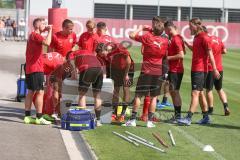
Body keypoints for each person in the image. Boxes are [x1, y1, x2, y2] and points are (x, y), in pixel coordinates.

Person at [123, 16, 168, 128]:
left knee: (138, 95)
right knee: (154, 97)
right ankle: (149, 122)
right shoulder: (165, 40)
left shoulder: (147, 37)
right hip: (158, 72)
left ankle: (133, 120)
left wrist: (141, 28)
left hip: (146, 70)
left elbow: (131, 35)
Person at [178, 18, 221, 126]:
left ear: (195, 25)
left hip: (200, 70)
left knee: (195, 93)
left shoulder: (204, 37)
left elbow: (210, 54)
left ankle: (188, 118)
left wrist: (215, 69)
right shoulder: (197, 37)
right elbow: (196, 50)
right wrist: (187, 44)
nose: (188, 28)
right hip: (196, 69)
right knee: (201, 93)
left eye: (190, 26)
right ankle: (206, 117)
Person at [24, 17, 52, 125]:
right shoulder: (36, 35)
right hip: (36, 68)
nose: (45, 25)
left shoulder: (32, 35)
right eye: (43, 24)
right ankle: (39, 117)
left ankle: (27, 117)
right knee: (40, 92)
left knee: (30, 92)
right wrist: (50, 30)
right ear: (37, 26)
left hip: (30, 68)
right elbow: (47, 42)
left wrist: (45, 29)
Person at [71, 45, 104, 127]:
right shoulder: (90, 52)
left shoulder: (73, 53)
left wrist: (74, 73)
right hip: (99, 69)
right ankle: (98, 120)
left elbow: (72, 64)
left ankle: (83, 119)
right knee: (97, 95)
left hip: (87, 69)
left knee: (82, 95)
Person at [202, 26, 230, 116]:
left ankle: (210, 109)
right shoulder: (218, 39)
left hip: (210, 68)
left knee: (209, 90)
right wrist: (217, 53)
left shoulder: (207, 40)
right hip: (219, 68)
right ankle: (226, 106)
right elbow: (225, 51)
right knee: (219, 89)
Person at [104, 43, 134, 123]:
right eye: (106, 51)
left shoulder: (121, 49)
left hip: (128, 68)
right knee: (115, 90)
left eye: (109, 51)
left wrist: (126, 74)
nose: (108, 52)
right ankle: (115, 113)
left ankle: (123, 114)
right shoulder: (106, 52)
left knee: (125, 88)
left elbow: (129, 62)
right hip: (116, 69)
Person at [164, 20, 185, 122]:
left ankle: (178, 116)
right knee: (172, 91)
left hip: (176, 70)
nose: (165, 32)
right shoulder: (176, 38)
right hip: (174, 69)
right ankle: (177, 115)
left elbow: (181, 54)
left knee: (175, 92)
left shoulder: (176, 39)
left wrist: (168, 57)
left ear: (169, 28)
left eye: (165, 30)